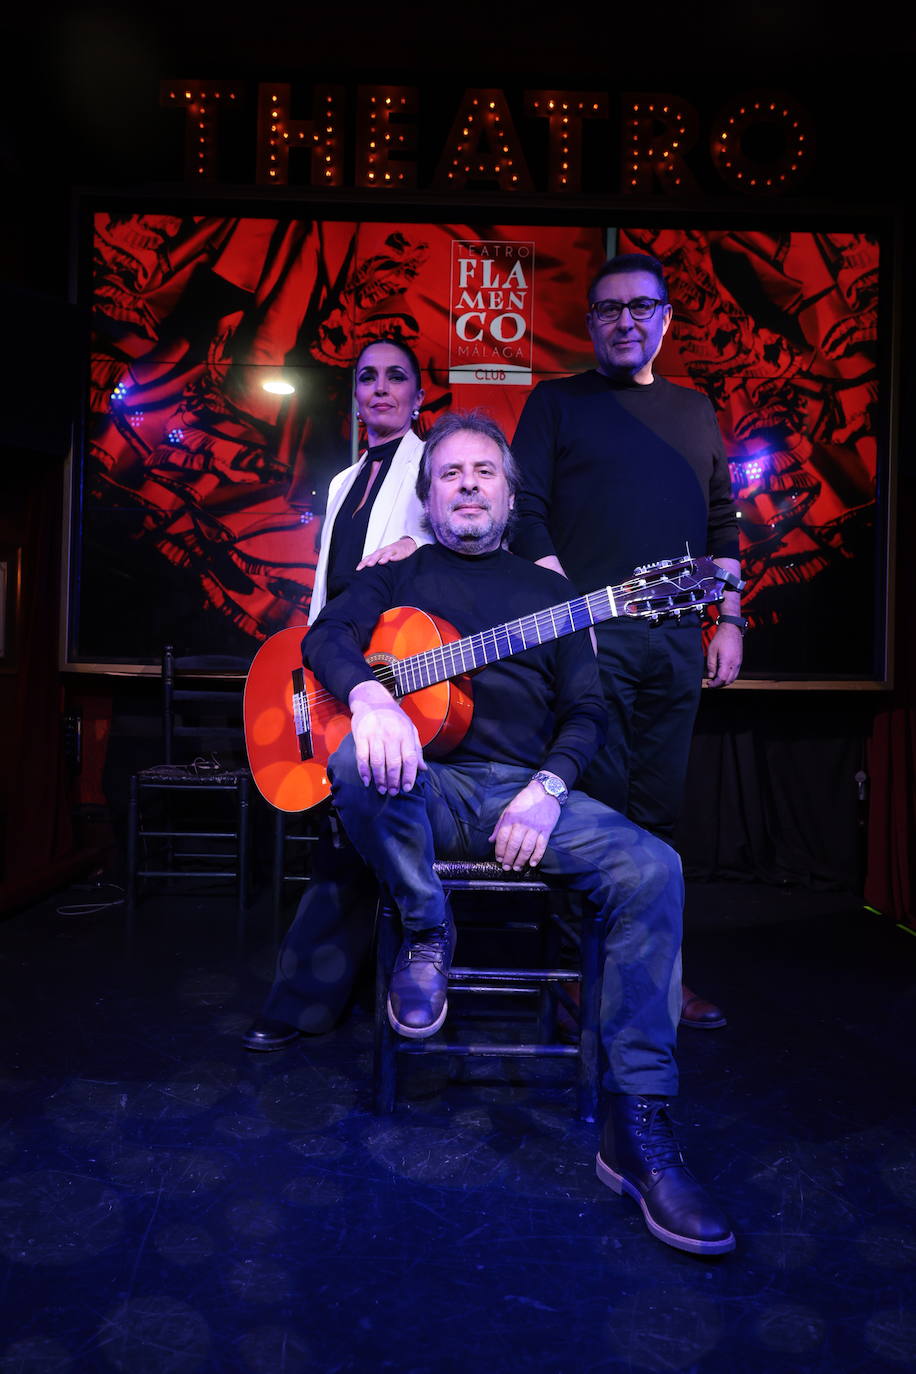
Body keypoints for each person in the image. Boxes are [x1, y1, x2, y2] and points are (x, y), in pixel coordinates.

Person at [303, 408, 735, 1256]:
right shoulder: (398, 575)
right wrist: (369, 695)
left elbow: (585, 713)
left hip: (524, 794)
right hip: (420, 788)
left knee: (653, 867)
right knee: (356, 761)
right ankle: (430, 930)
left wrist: (545, 789)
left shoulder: (554, 596)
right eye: (452, 473)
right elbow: (324, 639)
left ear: (510, 496)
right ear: (430, 497)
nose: (468, 484)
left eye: (485, 473)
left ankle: (635, 1123)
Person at [510, 251, 745, 1030]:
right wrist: (575, 624)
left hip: (676, 642)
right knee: (592, 814)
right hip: (589, 643)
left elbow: (722, 521)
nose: (625, 321)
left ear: (665, 318)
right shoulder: (556, 403)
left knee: (659, 816)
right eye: (609, 309)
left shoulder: (695, 409)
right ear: (591, 323)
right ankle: (586, 979)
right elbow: (526, 515)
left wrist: (731, 618)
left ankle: (660, 980)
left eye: (641, 307)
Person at [244, 336, 430, 1051]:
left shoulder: (431, 467)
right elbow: (327, 595)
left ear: (418, 392)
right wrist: (311, 670)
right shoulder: (347, 480)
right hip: (338, 669)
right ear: (355, 395)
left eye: (395, 378)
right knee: (343, 831)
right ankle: (328, 995)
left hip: (409, 673)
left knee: (360, 827)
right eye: (366, 379)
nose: (379, 389)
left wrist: (419, 551)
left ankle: (310, 999)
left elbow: (473, 542)